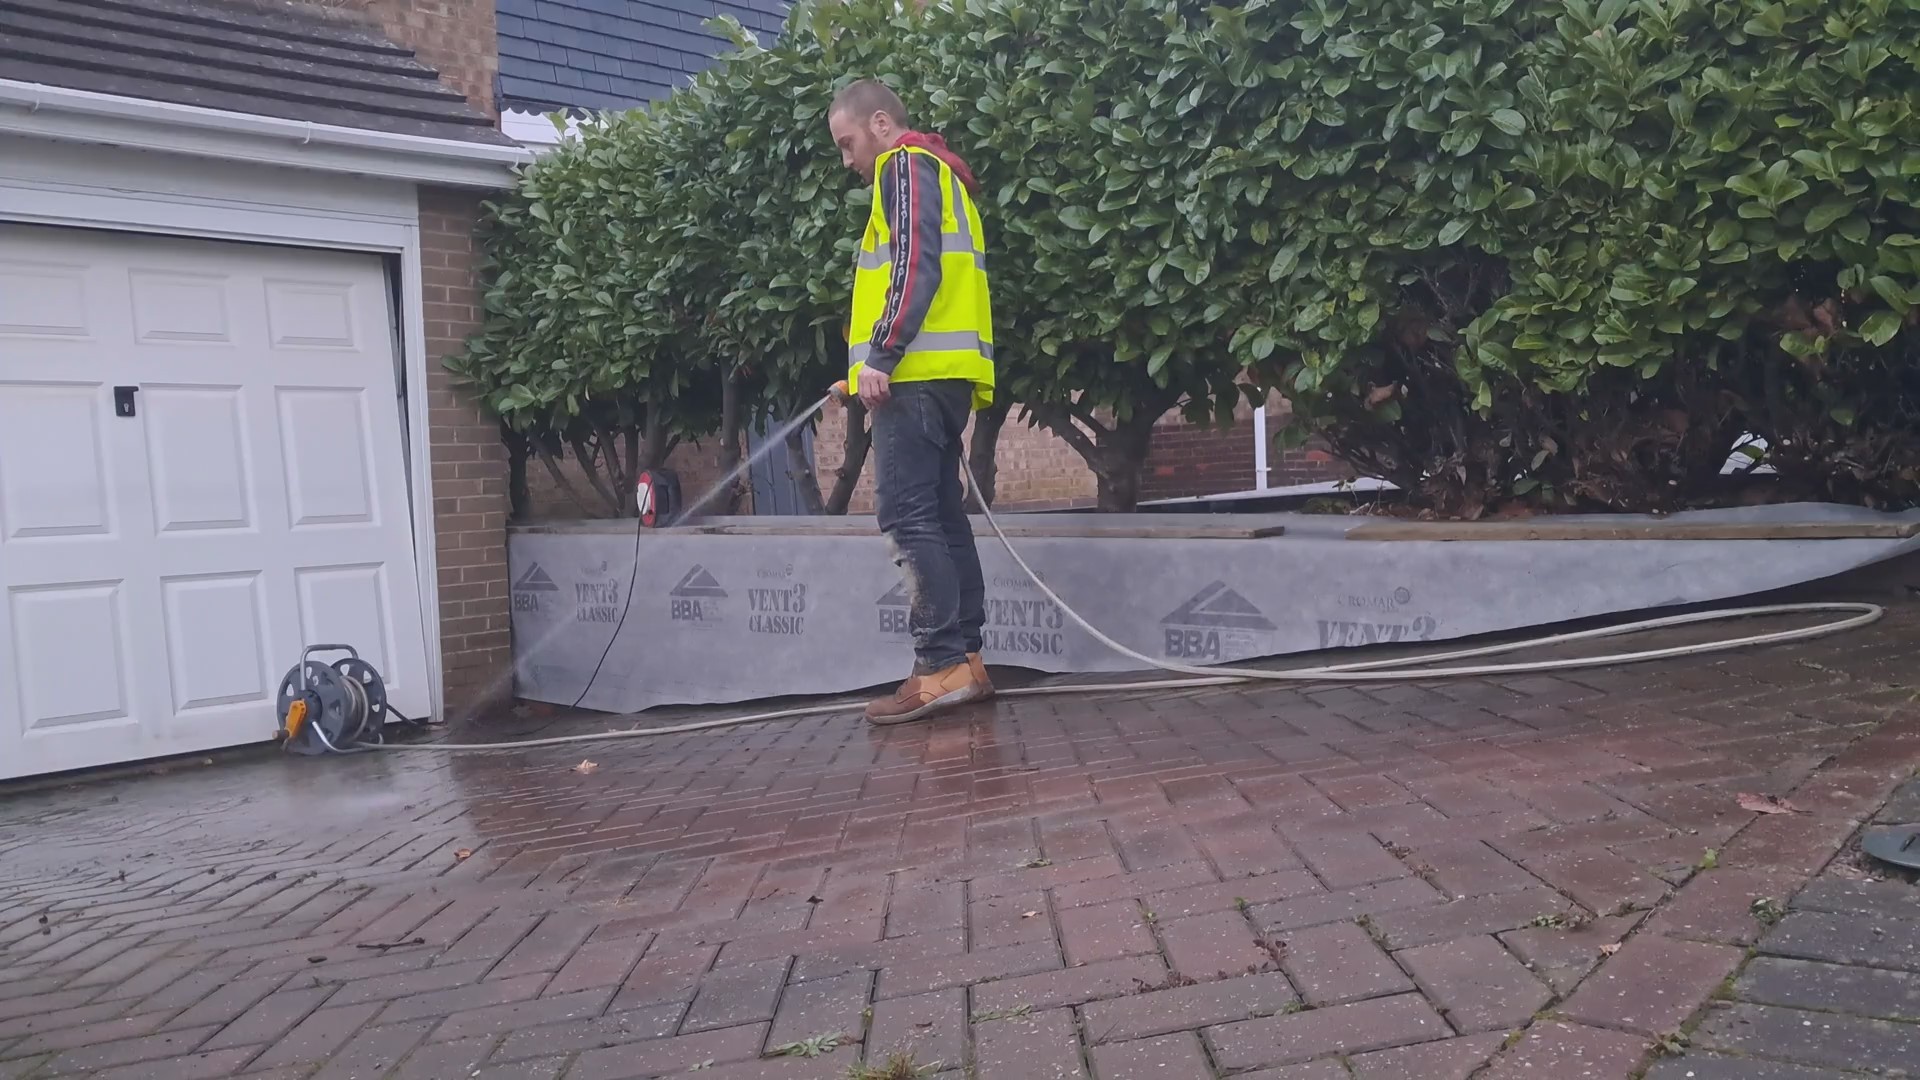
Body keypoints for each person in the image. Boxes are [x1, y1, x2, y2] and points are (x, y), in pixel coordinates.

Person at [828, 79, 997, 725]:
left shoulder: (905, 165)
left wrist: (882, 357)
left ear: (879, 123)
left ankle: (939, 666)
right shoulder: (941, 176)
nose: (849, 161)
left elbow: (914, 266)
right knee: (943, 519)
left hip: (916, 379)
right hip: (940, 377)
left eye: (848, 144)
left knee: (907, 517)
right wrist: (857, 374)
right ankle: (966, 663)